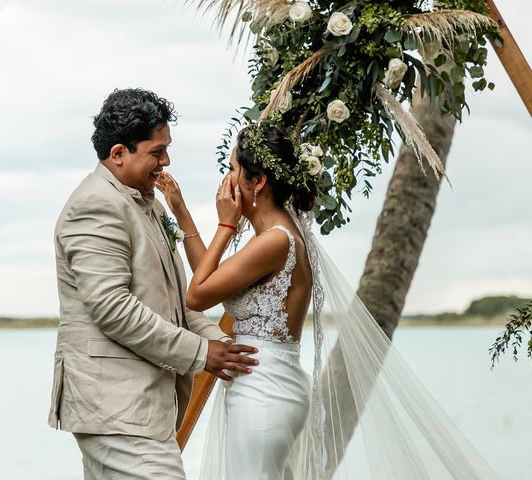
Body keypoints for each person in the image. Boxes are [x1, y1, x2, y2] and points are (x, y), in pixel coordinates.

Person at [157, 122, 500, 479]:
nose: (225, 182)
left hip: (263, 391)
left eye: (231, 169)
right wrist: (182, 213)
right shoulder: (274, 236)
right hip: (262, 384)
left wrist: (226, 227)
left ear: (257, 181)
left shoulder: (276, 240)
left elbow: (195, 296)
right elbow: (210, 282)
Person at [47, 88, 258, 480]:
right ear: (118, 154)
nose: (166, 161)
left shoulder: (150, 204)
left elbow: (179, 302)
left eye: (167, 149)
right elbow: (113, 310)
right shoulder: (93, 206)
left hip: (142, 410)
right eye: (157, 151)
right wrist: (201, 353)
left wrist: (228, 348)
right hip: (114, 407)